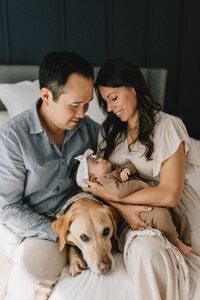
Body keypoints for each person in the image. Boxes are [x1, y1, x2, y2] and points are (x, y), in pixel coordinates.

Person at [83, 58, 200, 300]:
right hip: (132, 215)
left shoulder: (168, 126)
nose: (111, 107)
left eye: (114, 97)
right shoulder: (109, 131)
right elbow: (103, 184)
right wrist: (120, 207)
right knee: (146, 252)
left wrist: (110, 195)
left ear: (133, 87)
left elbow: (169, 194)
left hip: (177, 211)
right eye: (105, 102)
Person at [0, 51, 100, 299]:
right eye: (75, 105)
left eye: (87, 103)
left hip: (82, 217)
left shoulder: (91, 130)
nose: (83, 112)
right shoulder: (13, 137)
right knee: (31, 284)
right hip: (41, 224)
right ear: (46, 96)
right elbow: (7, 208)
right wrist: (62, 232)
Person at [75, 148, 193, 255]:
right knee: (160, 215)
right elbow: (119, 192)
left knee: (175, 214)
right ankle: (175, 241)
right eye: (96, 162)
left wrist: (126, 169)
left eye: (97, 158)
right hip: (136, 207)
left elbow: (132, 166)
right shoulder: (105, 180)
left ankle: (184, 239)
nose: (100, 159)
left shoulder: (113, 171)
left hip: (144, 201)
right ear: (95, 179)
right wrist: (140, 185)